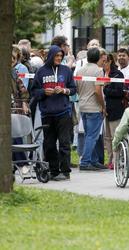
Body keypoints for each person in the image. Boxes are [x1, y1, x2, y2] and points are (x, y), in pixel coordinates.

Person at [32, 45, 77, 181]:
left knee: (64, 143)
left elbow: (73, 89)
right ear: (50, 56)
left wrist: (64, 91)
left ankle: (65, 171)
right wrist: (44, 92)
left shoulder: (66, 71)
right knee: (49, 144)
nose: (58, 58)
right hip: (47, 113)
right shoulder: (41, 72)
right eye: (56, 56)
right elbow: (34, 91)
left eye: (60, 56)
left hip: (63, 112)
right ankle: (53, 170)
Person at [76, 47, 106, 171]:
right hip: (94, 107)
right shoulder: (98, 71)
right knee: (92, 136)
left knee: (89, 135)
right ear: (98, 58)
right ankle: (85, 161)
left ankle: (93, 160)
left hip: (83, 105)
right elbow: (98, 91)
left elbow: (77, 88)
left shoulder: (80, 70)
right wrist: (102, 106)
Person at [103, 53, 125, 169]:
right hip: (104, 109)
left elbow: (119, 92)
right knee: (107, 137)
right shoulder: (101, 73)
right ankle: (110, 159)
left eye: (105, 61)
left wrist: (106, 88)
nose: (103, 64)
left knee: (116, 136)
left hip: (115, 110)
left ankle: (117, 160)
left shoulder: (117, 74)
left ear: (110, 61)